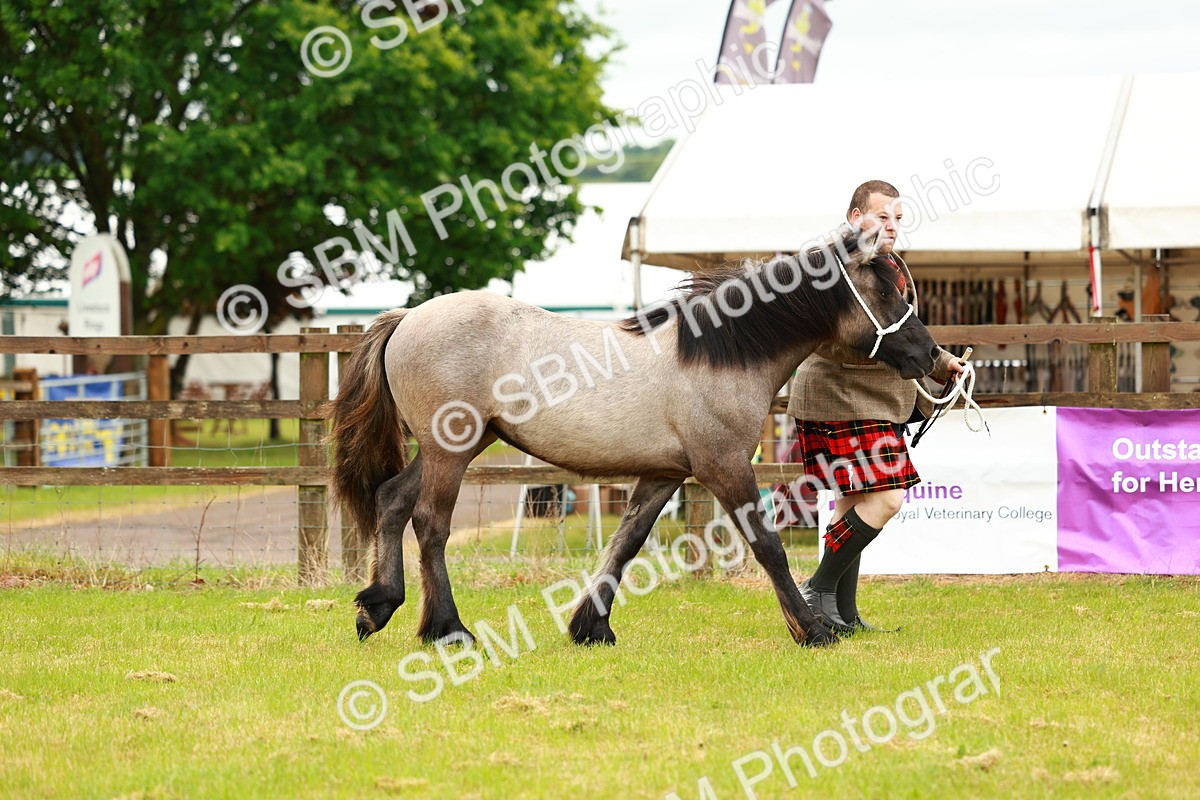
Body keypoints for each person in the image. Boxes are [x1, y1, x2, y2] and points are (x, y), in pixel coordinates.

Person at [790, 180, 965, 634]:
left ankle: (841, 614)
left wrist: (940, 362)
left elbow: (902, 327)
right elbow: (835, 338)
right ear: (855, 217)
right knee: (887, 498)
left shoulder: (887, 263)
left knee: (853, 501)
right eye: (882, 216)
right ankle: (816, 588)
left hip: (872, 399)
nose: (892, 226)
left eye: (898, 218)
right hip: (839, 394)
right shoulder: (830, 266)